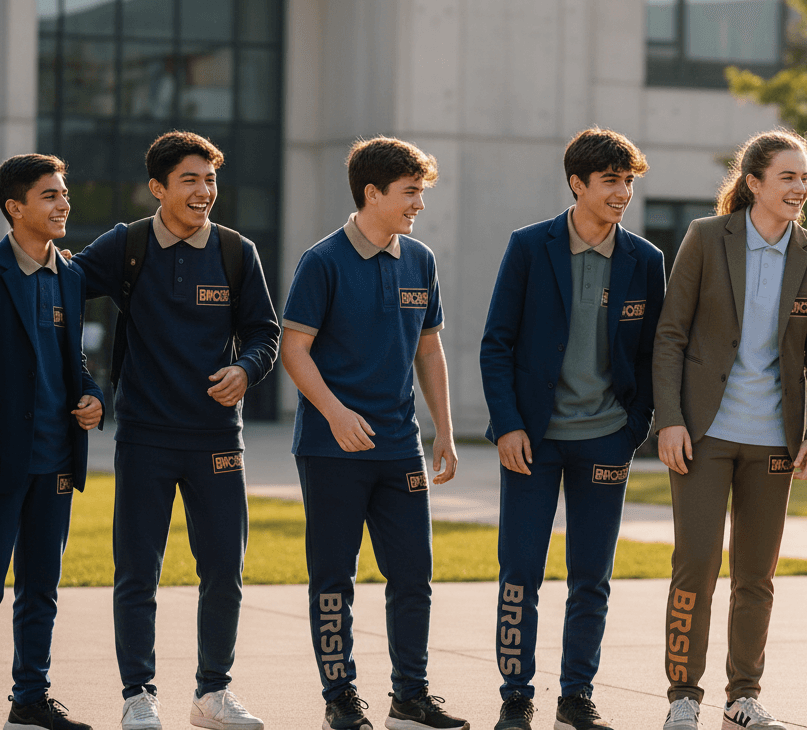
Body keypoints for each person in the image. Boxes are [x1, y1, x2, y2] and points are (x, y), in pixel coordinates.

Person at [71, 131, 281, 730]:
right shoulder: (127, 245)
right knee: (137, 570)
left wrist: (246, 369)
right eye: (190, 179)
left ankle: (212, 694)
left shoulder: (238, 252)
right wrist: (80, 379)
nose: (204, 191)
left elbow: (265, 332)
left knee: (223, 571)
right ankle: (138, 696)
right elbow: (57, 292)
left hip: (217, 439)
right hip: (144, 437)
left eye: (210, 179)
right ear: (158, 188)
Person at [479, 128, 666, 730]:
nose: (622, 193)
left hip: (606, 437)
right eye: (610, 181)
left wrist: (633, 429)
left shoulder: (645, 260)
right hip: (533, 441)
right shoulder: (530, 248)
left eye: (628, 181)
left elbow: (650, 356)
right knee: (521, 572)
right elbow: (496, 344)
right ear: (577, 183)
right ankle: (515, 693)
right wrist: (507, 425)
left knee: (592, 576)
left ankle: (576, 695)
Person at [280, 137, 468, 730]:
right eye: (410, 192)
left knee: (413, 574)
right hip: (331, 449)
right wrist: (335, 413)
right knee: (334, 578)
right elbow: (294, 349)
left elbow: (429, 348)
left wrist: (444, 429)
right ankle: (340, 697)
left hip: (400, 446)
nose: (419, 203)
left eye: (421, 192)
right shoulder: (323, 261)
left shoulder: (420, 260)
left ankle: (410, 697)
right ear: (372, 192)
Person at [653, 130, 807, 730]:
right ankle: (684, 694)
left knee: (756, 575)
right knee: (697, 565)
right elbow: (670, 334)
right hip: (704, 433)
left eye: (805, 177)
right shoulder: (707, 237)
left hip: (775, 438)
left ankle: (742, 697)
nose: (800, 187)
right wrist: (671, 420)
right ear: (753, 183)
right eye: (787, 176)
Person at [0, 154, 103, 730]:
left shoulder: (72, 275)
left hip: (57, 459)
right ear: (15, 208)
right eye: (49, 195)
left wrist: (92, 398)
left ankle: (31, 700)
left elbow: (75, 364)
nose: (64, 203)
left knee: (41, 589)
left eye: (63, 193)